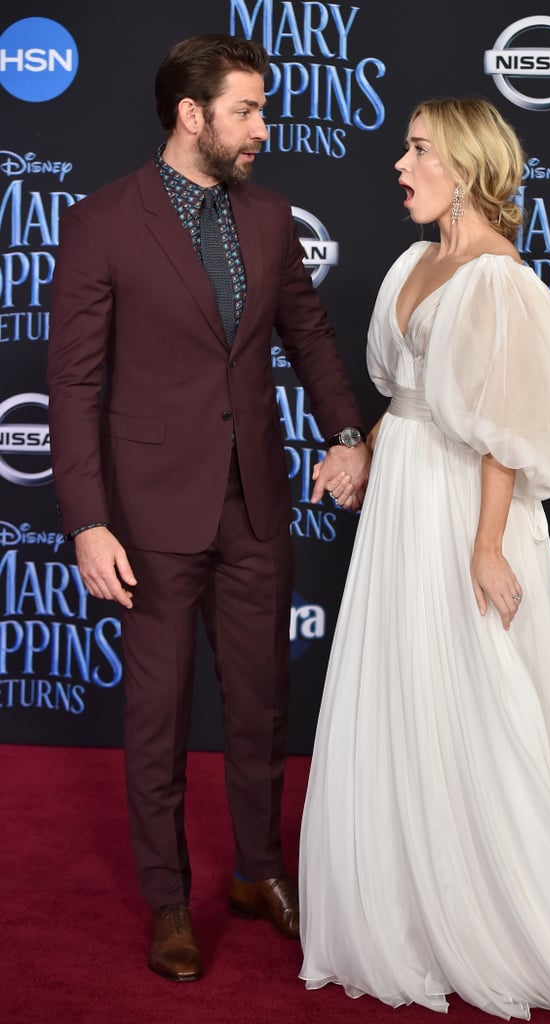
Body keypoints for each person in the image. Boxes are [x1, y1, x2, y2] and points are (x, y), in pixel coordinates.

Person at [298, 97, 550, 1020]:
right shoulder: (415, 259)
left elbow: (505, 432)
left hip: (460, 510)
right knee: (405, 689)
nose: (399, 164)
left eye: (419, 149)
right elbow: (404, 397)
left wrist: (484, 546)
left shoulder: (501, 280)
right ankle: (404, 904)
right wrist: (360, 449)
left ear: (468, 165)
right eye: (404, 146)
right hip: (403, 496)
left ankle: (496, 908)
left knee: (475, 696)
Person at [47, 34, 369, 983]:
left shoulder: (270, 218)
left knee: (262, 709)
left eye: (261, 111)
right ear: (192, 115)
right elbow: (71, 386)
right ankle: (169, 899)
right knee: (156, 713)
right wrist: (87, 521)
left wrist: (347, 434)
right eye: (246, 112)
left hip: (258, 505)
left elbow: (308, 337)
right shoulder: (103, 221)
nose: (261, 130)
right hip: (147, 517)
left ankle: (258, 873)